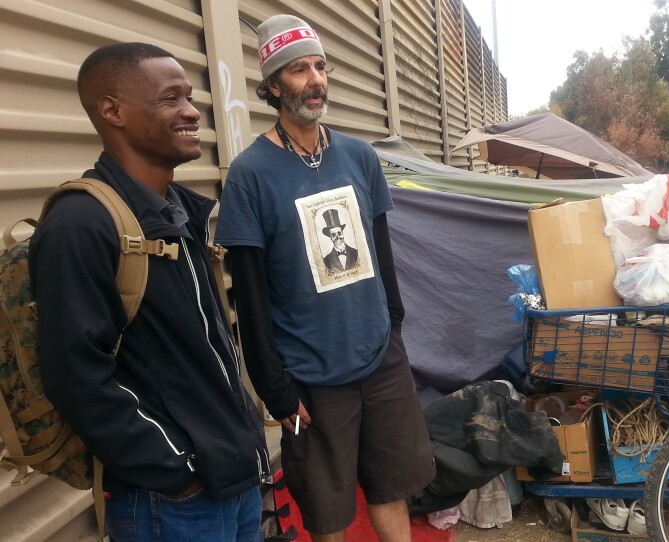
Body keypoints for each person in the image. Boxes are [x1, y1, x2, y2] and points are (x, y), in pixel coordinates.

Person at [30, 42, 269, 542]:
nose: (190, 111)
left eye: (189, 96)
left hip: (233, 480)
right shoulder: (81, 224)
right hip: (172, 504)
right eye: (170, 98)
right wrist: (176, 472)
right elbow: (75, 375)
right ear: (112, 110)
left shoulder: (180, 209)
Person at [215, 14, 435, 542]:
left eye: (320, 67)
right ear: (272, 86)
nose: (315, 80)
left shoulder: (359, 156)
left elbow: (383, 258)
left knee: (390, 488)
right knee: (328, 511)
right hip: (310, 375)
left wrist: (394, 331)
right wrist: (276, 389)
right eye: (297, 70)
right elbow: (249, 292)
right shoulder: (251, 174)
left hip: (380, 359)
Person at [321, 208, 360, 272]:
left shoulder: (355, 253)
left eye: (339, 233)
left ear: (343, 233)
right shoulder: (326, 260)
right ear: (330, 237)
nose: (337, 237)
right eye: (333, 235)